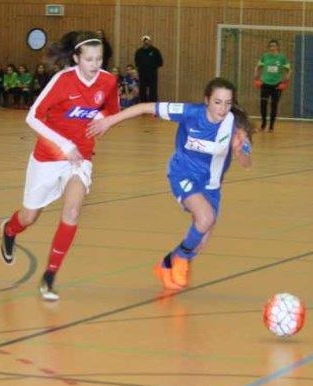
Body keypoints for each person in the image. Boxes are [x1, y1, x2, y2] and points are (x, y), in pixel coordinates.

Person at [88, 77, 253, 290]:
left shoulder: (235, 126)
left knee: (200, 242)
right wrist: (109, 121)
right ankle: (181, 259)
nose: (222, 108)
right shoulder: (189, 113)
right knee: (205, 218)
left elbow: (247, 163)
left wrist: (240, 151)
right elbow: (144, 107)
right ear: (206, 100)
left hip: (211, 186)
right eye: (217, 102)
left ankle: (166, 264)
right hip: (182, 173)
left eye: (227, 103)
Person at [0, 30, 119, 301]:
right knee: (29, 217)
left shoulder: (108, 81)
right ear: (76, 58)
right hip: (49, 156)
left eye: (99, 59)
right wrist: (64, 145)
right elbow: (33, 117)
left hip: (81, 157)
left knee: (73, 211)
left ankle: (49, 276)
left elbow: (111, 110)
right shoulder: (62, 81)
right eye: (89, 59)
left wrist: (104, 120)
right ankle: (10, 229)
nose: (95, 64)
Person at [253, 39, 292, 132]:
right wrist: (256, 73)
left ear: (277, 47)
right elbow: (258, 66)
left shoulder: (282, 58)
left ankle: (271, 127)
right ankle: (263, 124)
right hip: (265, 83)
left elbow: (289, 69)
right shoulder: (265, 56)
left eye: (274, 46)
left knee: (274, 105)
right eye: (270, 46)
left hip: (277, 85)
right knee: (263, 104)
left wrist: (287, 78)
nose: (272, 48)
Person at [134, 35, 163, 102]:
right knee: (142, 89)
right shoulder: (139, 51)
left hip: (152, 73)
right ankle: (143, 103)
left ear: (149, 41)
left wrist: (152, 67)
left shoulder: (155, 51)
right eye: (144, 40)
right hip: (142, 73)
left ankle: (153, 103)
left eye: (147, 40)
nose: (146, 42)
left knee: (153, 89)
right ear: (142, 42)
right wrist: (141, 68)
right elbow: (136, 62)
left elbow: (160, 62)